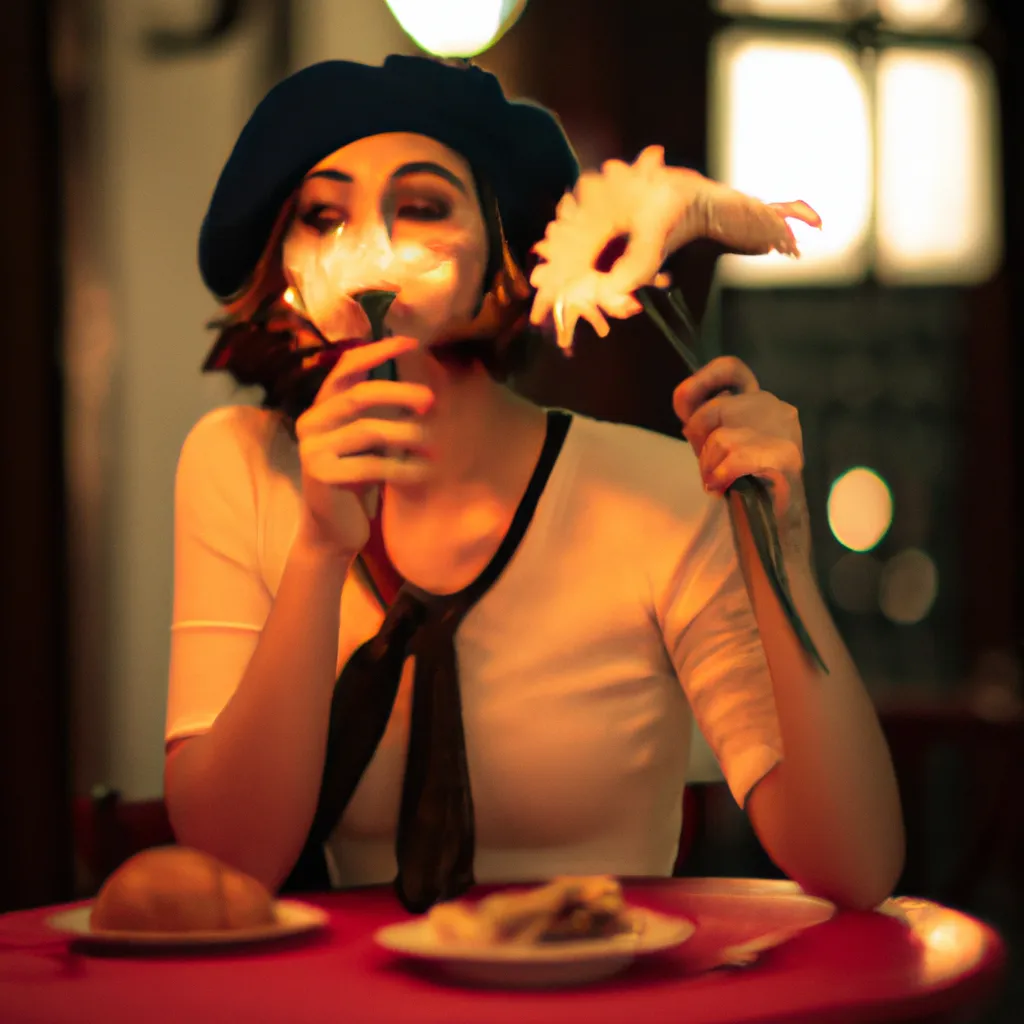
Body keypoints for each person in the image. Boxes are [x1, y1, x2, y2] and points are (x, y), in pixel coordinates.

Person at [164, 54, 904, 912]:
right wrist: (320, 554)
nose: (367, 255)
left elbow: (855, 866)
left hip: (610, 993)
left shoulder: (658, 493)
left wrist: (785, 560)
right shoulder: (239, 465)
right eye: (322, 216)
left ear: (507, 256)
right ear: (283, 264)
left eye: (423, 208)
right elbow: (228, 864)